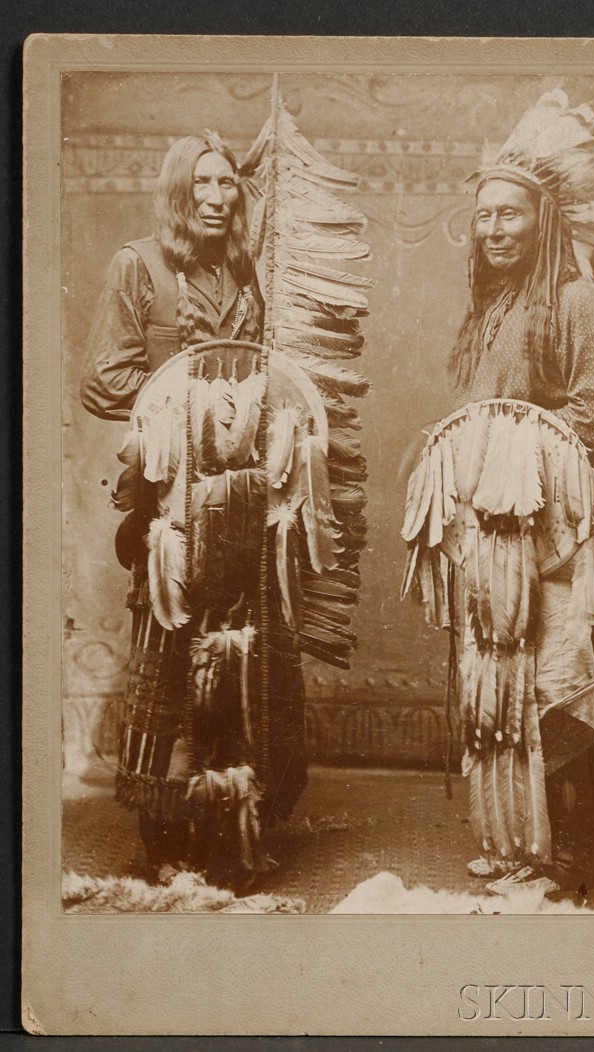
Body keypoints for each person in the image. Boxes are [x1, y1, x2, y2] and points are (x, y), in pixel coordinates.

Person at [402, 90, 594, 896]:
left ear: (545, 223)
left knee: (556, 684)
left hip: (560, 536)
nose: (495, 228)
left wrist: (510, 447)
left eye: (511, 215)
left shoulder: (574, 303)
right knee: (500, 685)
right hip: (493, 541)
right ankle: (520, 846)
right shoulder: (491, 311)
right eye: (484, 216)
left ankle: (569, 857)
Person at [81, 131, 307, 887]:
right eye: (202, 185)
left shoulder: (247, 268)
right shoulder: (137, 266)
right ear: (178, 192)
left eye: (228, 186)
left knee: (240, 655)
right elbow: (105, 382)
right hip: (171, 505)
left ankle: (234, 829)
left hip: (246, 500)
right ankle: (164, 830)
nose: (217, 198)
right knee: (171, 655)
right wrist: (197, 404)